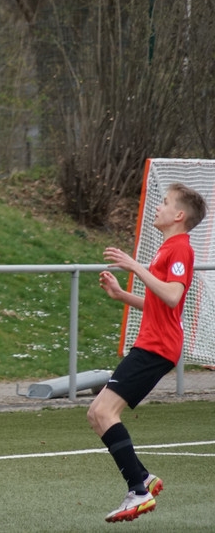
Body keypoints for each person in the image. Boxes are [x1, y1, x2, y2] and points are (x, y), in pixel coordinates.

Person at [90, 182, 207, 522]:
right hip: (152, 345)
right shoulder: (168, 248)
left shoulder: (180, 249)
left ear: (179, 215)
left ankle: (138, 491)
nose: (158, 206)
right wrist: (121, 295)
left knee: (103, 413)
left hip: (158, 348)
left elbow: (172, 296)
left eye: (165, 202)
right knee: (97, 413)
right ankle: (142, 478)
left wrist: (135, 267)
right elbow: (160, 305)